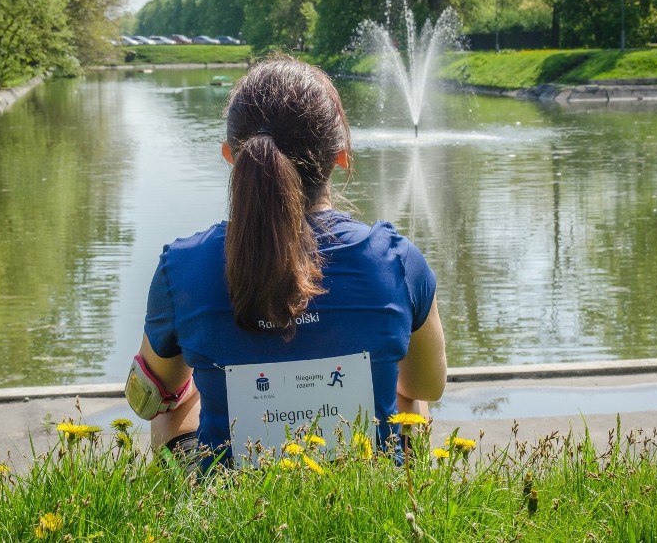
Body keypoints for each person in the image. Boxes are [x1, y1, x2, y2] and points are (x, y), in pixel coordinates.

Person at [126, 55, 446, 469]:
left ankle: (201, 505)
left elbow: (147, 397)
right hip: (364, 488)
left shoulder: (182, 268)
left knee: (169, 401)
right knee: (408, 396)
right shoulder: (397, 262)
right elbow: (428, 385)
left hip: (231, 501)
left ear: (230, 157)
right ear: (341, 155)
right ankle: (391, 496)